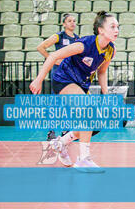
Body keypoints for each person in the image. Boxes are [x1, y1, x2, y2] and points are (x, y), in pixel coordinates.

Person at [29, 11, 118, 172]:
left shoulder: (110, 50)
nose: (116, 29)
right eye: (112, 26)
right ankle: (84, 159)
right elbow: (53, 55)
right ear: (101, 30)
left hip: (81, 85)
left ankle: (61, 143)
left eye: (117, 26)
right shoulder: (84, 44)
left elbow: (102, 72)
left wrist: (106, 94)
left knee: (95, 122)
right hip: (64, 80)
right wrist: (39, 79)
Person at [37, 13, 79, 141]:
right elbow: (40, 47)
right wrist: (54, 60)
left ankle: (66, 131)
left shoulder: (77, 38)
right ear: (64, 24)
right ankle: (51, 132)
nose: (72, 23)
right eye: (69, 21)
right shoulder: (58, 36)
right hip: (58, 75)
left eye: (74, 21)